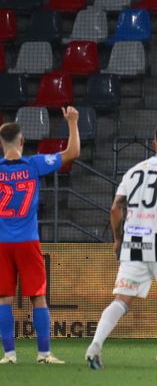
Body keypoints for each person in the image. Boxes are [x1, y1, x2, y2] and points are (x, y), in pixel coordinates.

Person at [88, 123, 157, 370]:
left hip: (132, 241)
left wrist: (118, 239)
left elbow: (116, 208)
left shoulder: (133, 171)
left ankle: (95, 346)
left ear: (153, 144)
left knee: (121, 299)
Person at [0, 107, 80, 365]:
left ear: (2, 143)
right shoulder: (34, 164)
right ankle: (44, 354)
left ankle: (9, 355)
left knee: (4, 298)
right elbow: (72, 153)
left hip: (2, 243)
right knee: (38, 296)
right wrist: (72, 122)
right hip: (28, 241)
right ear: (22, 141)